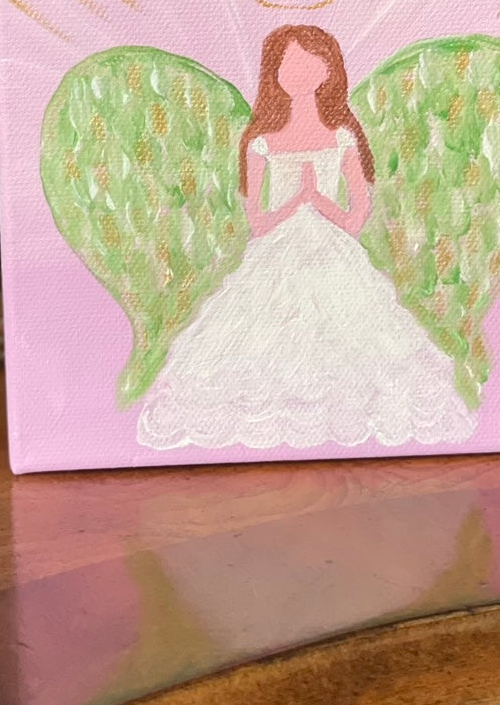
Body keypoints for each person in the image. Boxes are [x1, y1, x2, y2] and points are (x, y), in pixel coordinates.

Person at [137, 24, 475, 451]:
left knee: (345, 332)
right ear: (274, 73)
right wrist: (297, 200)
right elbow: (258, 222)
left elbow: (357, 216)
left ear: (328, 70)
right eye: (289, 65)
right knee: (265, 332)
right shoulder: (261, 142)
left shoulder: (342, 137)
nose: (299, 73)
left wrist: (318, 200)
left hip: (333, 254)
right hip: (276, 255)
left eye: (310, 63)